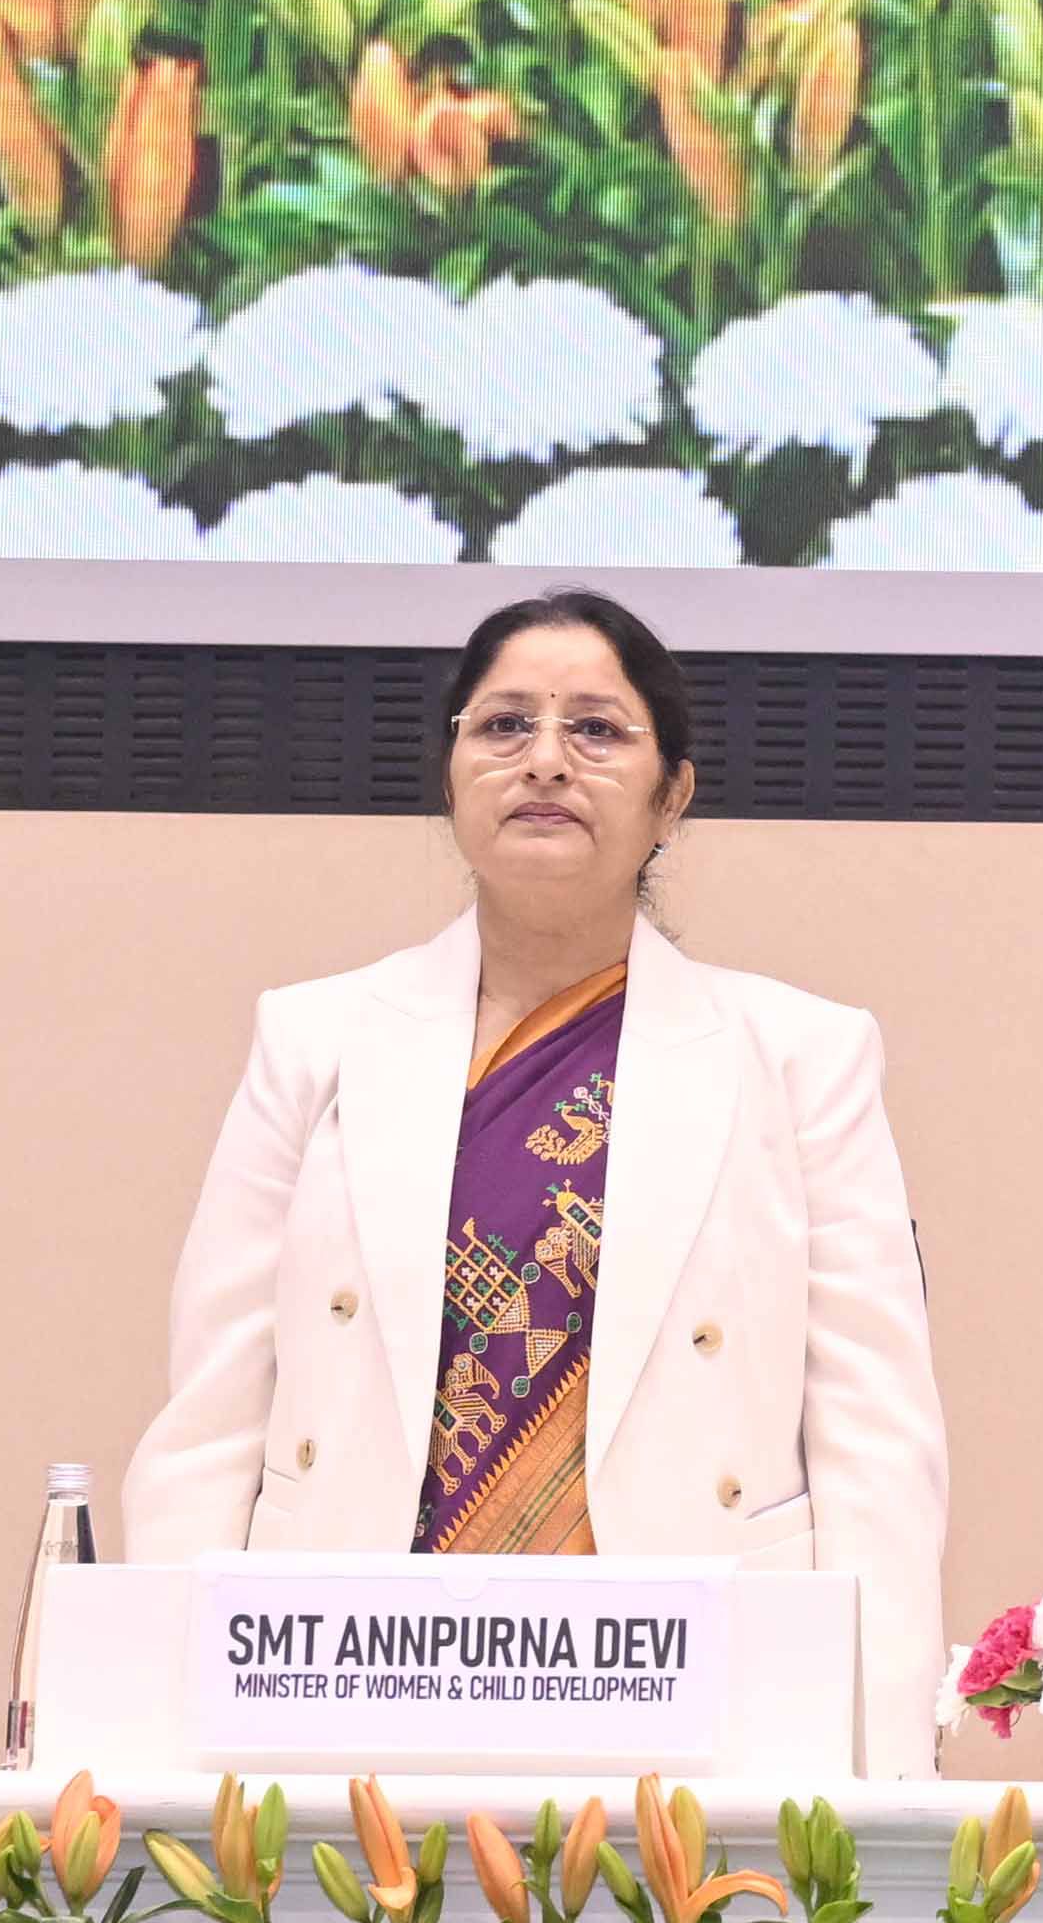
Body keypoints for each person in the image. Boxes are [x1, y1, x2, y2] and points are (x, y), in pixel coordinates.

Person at [127, 588, 953, 1775]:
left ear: (673, 794)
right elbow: (211, 1420)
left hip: (694, 1685)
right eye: (505, 724)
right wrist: (159, 1745)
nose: (547, 761)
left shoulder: (798, 1057)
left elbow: (875, 1435)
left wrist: (883, 1768)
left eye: (597, 730)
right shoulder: (316, 1040)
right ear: (451, 773)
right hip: (349, 1672)